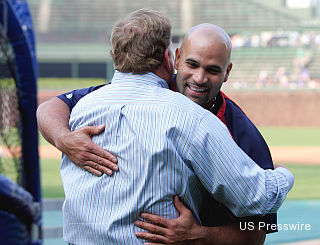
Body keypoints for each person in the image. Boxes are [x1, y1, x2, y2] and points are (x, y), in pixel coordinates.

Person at [37, 9, 293, 244]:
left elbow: (256, 231)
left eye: (212, 70)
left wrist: (200, 236)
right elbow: (259, 198)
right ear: (173, 58)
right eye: (192, 65)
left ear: (227, 72)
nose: (200, 78)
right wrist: (63, 139)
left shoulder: (85, 108)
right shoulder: (191, 117)